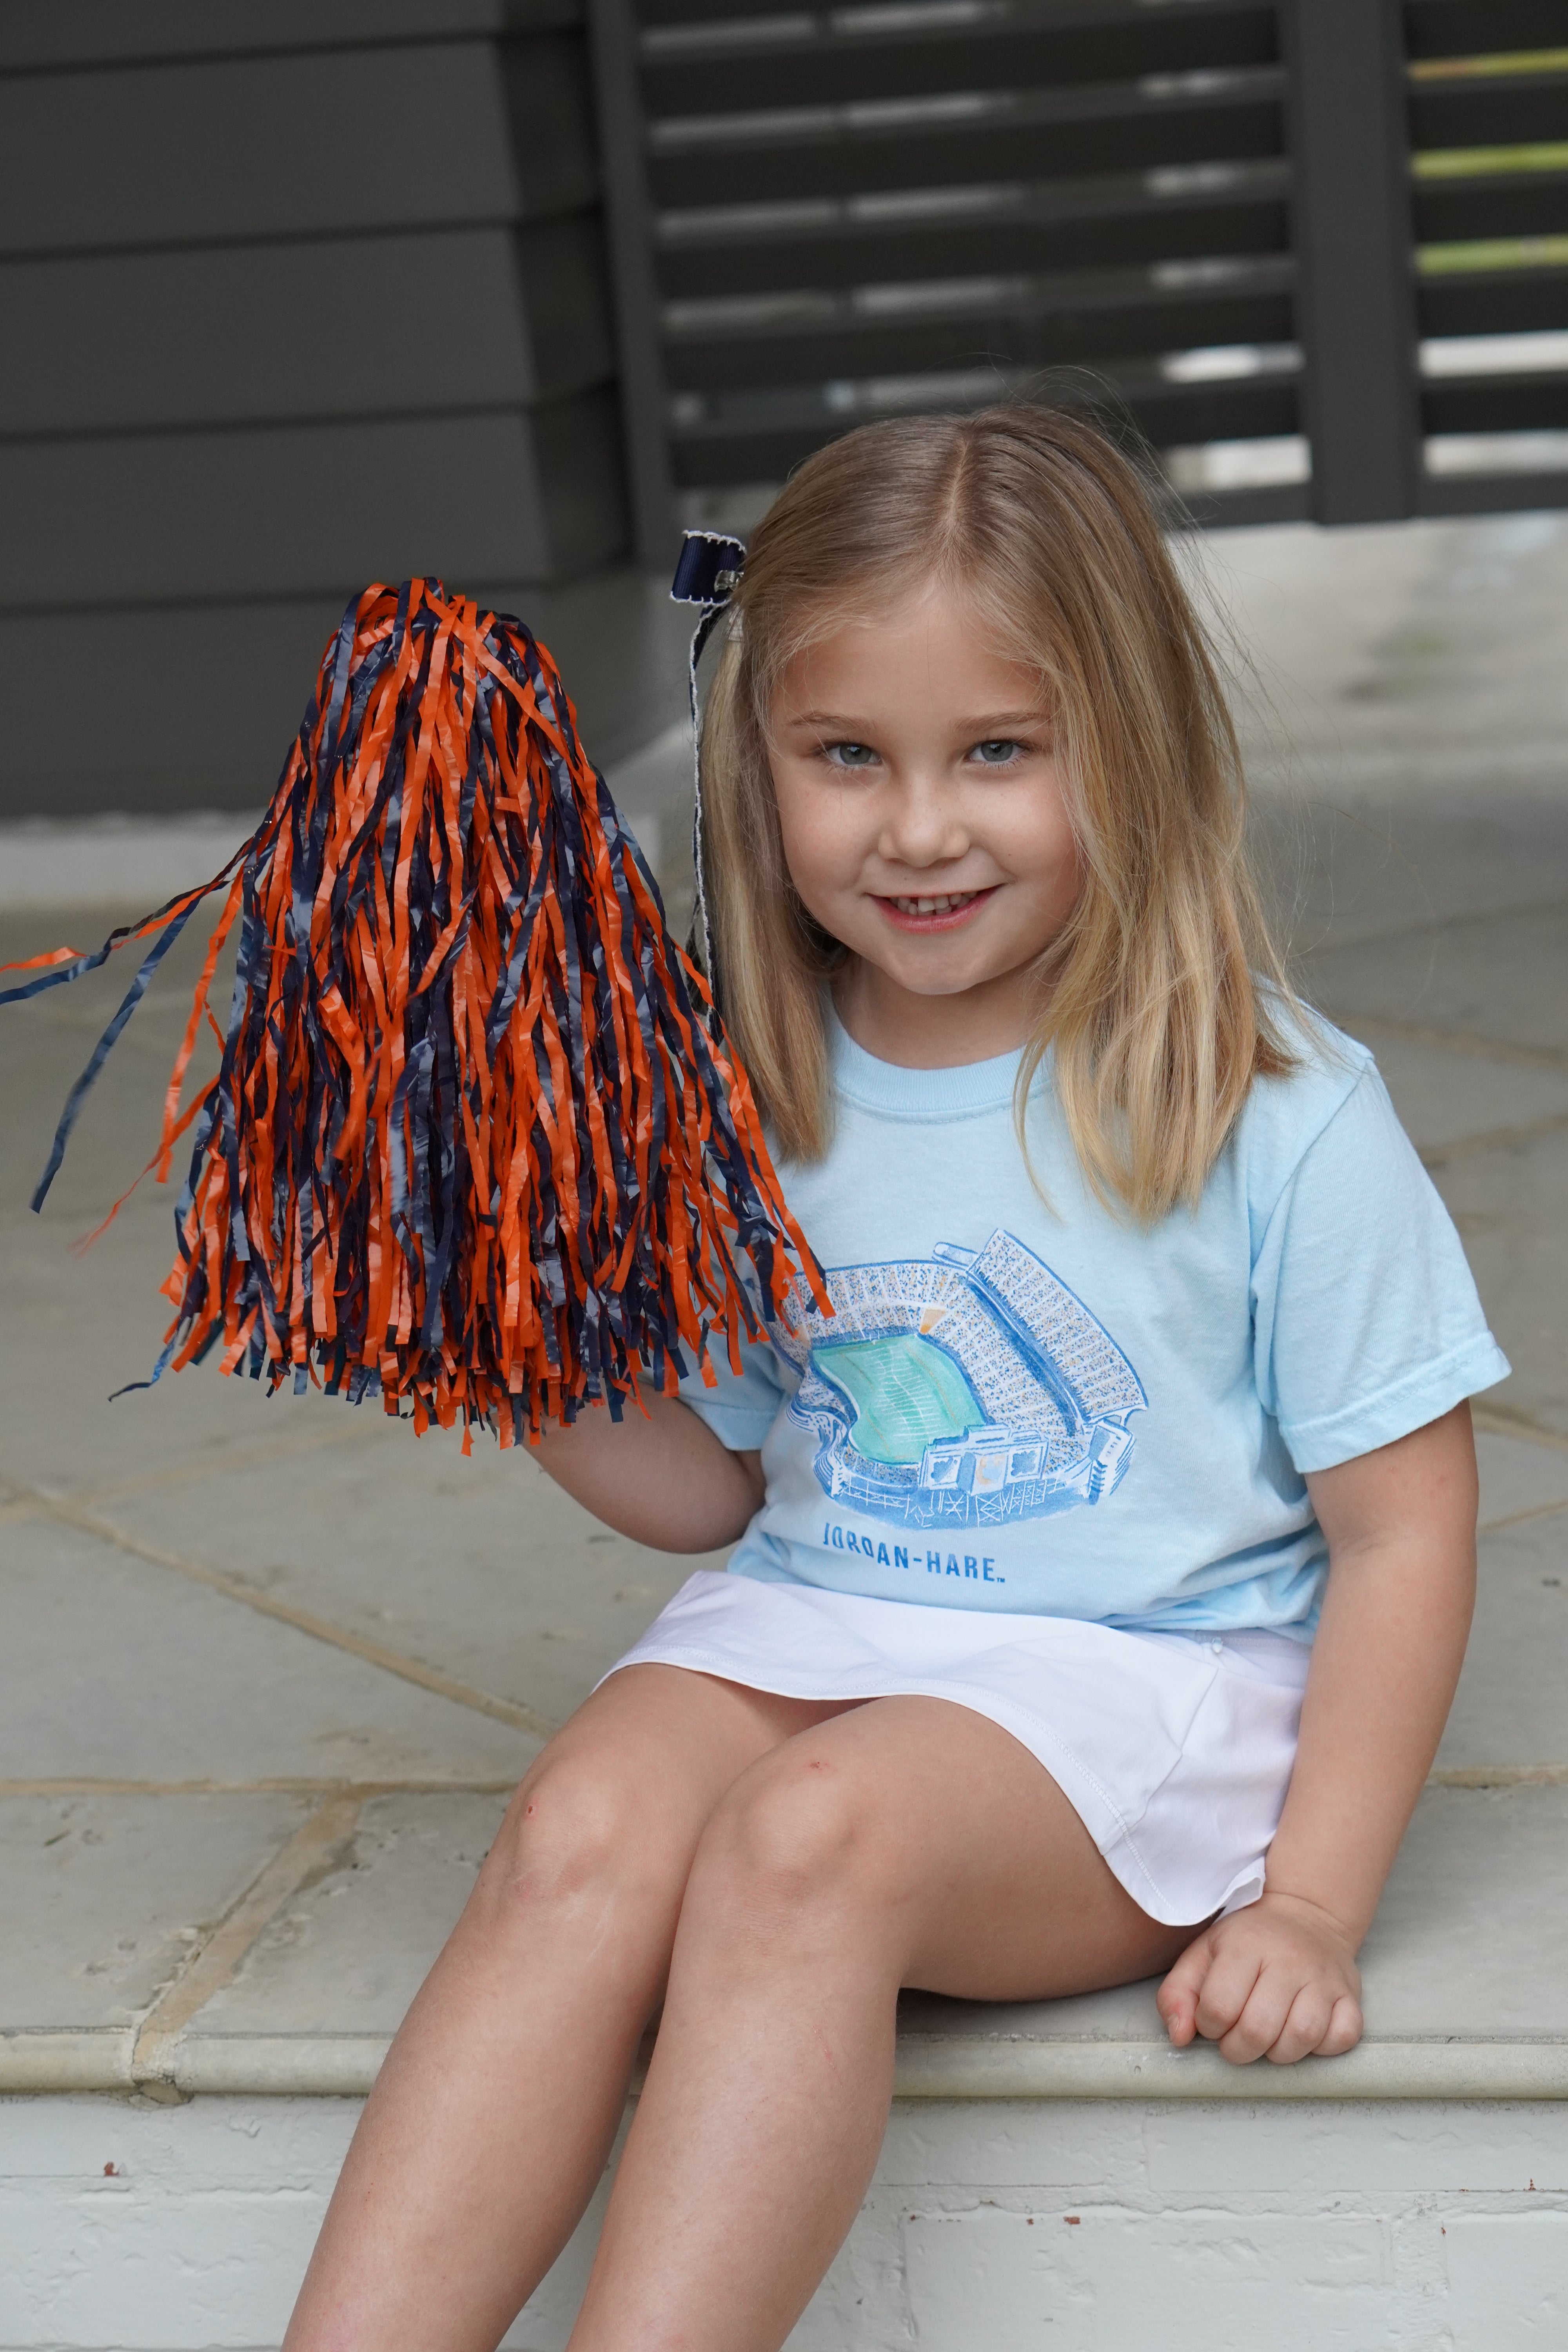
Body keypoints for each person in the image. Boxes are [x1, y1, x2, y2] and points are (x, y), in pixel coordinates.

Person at [282, 407, 1505, 2352]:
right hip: (822, 1606)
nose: (918, 827)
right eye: (847, 756)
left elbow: (1409, 1520)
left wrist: (1314, 1905)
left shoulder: (1268, 1107)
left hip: (1138, 1683)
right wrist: (507, 1337)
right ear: (754, 760)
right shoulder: (746, 1095)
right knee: (581, 1832)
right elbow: (720, 1493)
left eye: (997, 752)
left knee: (801, 1843)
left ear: (1137, 743)